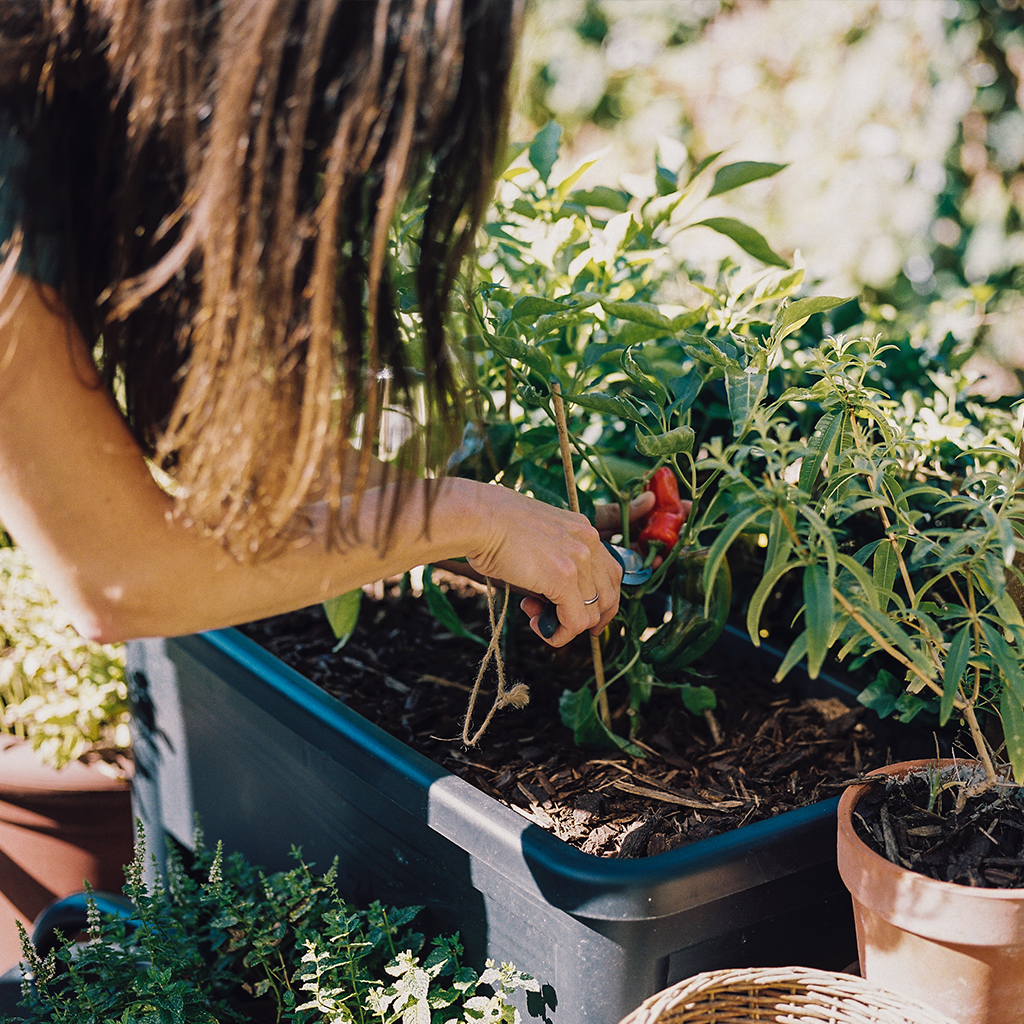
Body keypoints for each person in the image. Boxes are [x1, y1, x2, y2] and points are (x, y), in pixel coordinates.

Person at [0, 0, 655, 650]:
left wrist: (537, 528)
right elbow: (124, 578)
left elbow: (242, 460)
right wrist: (474, 519)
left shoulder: (94, 96)